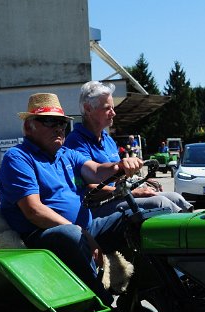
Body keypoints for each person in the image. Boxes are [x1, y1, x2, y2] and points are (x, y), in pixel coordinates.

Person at [0, 92, 144, 310]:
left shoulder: (65, 154)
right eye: (49, 121)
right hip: (42, 237)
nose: (59, 128)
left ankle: (144, 293)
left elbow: (95, 171)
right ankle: (100, 305)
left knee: (137, 218)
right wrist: (82, 233)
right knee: (71, 235)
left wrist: (120, 166)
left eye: (62, 122)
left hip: (85, 228)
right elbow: (34, 211)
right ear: (29, 127)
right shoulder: (18, 158)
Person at [64, 81, 192, 216]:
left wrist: (140, 180)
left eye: (113, 108)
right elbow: (85, 189)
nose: (113, 113)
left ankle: (195, 233)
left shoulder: (107, 139)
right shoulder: (76, 143)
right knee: (160, 203)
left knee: (176, 198)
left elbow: (119, 177)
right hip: (96, 206)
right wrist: (132, 192)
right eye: (107, 108)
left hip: (119, 196)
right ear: (88, 108)